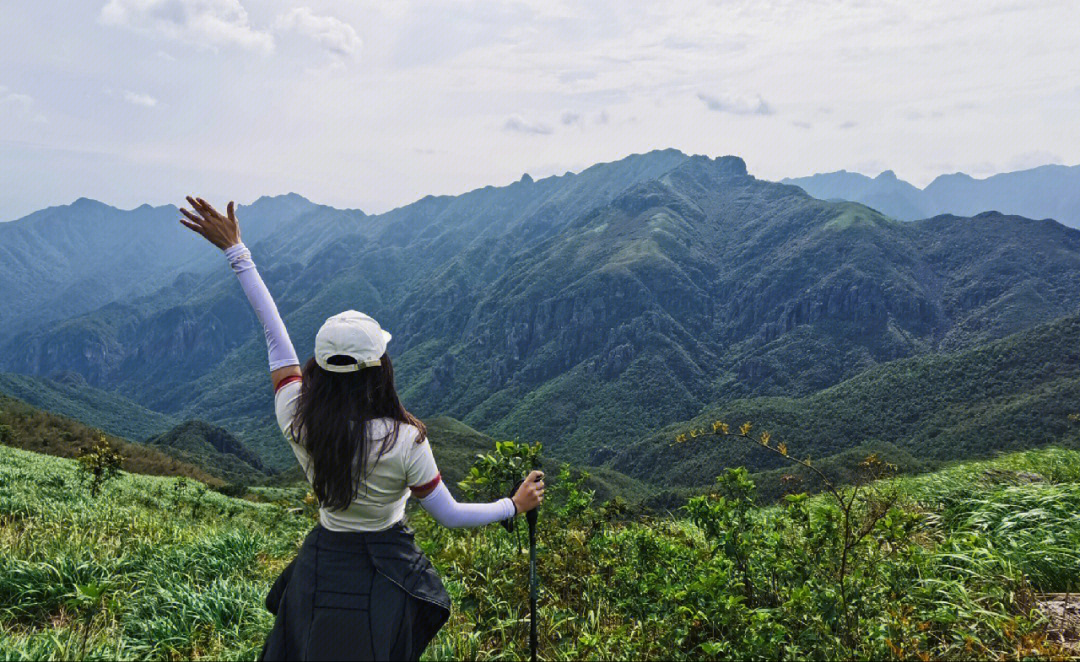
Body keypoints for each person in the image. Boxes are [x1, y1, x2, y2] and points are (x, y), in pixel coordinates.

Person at [178, 196, 545, 661]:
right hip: (386, 565)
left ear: (320, 366)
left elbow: (275, 337)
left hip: (322, 560)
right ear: (380, 370)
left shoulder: (297, 414)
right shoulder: (405, 440)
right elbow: (450, 515)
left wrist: (237, 253)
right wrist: (512, 506)